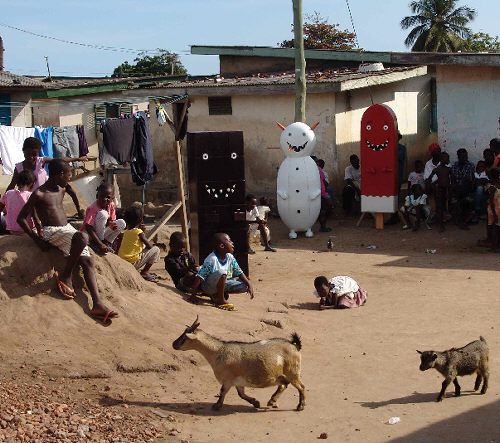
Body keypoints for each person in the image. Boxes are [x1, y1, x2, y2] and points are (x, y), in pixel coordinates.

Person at [16, 160, 118, 325]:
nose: (70, 178)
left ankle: (97, 304)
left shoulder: (62, 187)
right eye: (69, 175)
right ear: (59, 175)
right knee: (83, 237)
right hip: (52, 232)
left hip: (67, 230)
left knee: (88, 261)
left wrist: (79, 209)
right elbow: (21, 218)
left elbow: (72, 192)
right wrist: (37, 240)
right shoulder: (39, 193)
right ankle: (66, 275)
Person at [6, 137, 86, 217]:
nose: (31, 157)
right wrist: (4, 201)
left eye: (34, 154)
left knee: (69, 188)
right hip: (28, 200)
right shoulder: (19, 168)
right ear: (23, 151)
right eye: (28, 154)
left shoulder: (41, 161)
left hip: (44, 195)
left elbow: (59, 160)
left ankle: (79, 210)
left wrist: (77, 159)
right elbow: (12, 185)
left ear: (38, 153)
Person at [190, 232, 253, 311]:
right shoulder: (212, 259)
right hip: (208, 286)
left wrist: (249, 284)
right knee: (222, 272)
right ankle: (220, 300)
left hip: (221, 283)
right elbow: (200, 277)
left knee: (245, 286)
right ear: (222, 246)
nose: (232, 243)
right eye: (229, 241)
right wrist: (193, 295)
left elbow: (239, 272)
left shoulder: (230, 257)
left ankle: (218, 295)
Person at [118, 204, 160, 282]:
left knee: (141, 247)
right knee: (156, 249)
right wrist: (143, 232)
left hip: (122, 261)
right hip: (132, 263)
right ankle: (145, 272)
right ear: (141, 220)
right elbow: (150, 247)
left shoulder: (126, 232)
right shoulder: (139, 232)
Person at [81, 183, 125, 255]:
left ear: (112, 198)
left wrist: (111, 224)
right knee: (103, 214)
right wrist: (100, 243)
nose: (105, 199)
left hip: (101, 233)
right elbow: (88, 227)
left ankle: (108, 242)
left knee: (122, 223)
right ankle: (98, 243)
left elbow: (111, 220)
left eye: (108, 197)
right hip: (90, 234)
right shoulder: (93, 208)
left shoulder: (111, 205)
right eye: (102, 196)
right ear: (97, 196)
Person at [0, 170, 39, 235]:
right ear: (32, 184)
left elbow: (0, 208)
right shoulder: (30, 196)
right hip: (28, 229)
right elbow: (35, 216)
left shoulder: (9, 193)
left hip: (11, 229)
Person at [451, 148, 475, 228]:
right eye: (462, 156)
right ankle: (461, 221)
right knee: (455, 200)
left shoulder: (471, 165)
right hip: (457, 189)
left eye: (466, 156)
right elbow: (453, 180)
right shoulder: (454, 166)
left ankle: (462, 221)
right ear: (458, 157)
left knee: (466, 198)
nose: (465, 158)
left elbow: (472, 180)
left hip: (466, 190)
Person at [429, 152, 451, 232]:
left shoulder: (448, 169)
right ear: (441, 159)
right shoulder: (437, 169)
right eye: (447, 158)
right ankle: (440, 224)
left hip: (446, 190)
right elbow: (429, 179)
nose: (448, 159)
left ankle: (441, 222)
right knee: (440, 207)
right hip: (439, 191)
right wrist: (434, 187)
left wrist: (450, 190)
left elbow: (453, 181)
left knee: (443, 206)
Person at [486, 168, 500, 252]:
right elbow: (491, 201)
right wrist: (494, 214)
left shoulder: (495, 185)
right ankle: (494, 246)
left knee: (496, 228)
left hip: (497, 209)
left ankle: (495, 245)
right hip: (494, 210)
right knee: (496, 228)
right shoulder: (492, 187)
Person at [317, 160, 333, 232]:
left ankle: (323, 226)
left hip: (317, 193)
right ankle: (323, 226)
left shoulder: (310, 169)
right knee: (328, 206)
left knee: (321, 209)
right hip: (322, 193)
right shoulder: (318, 169)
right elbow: (324, 182)